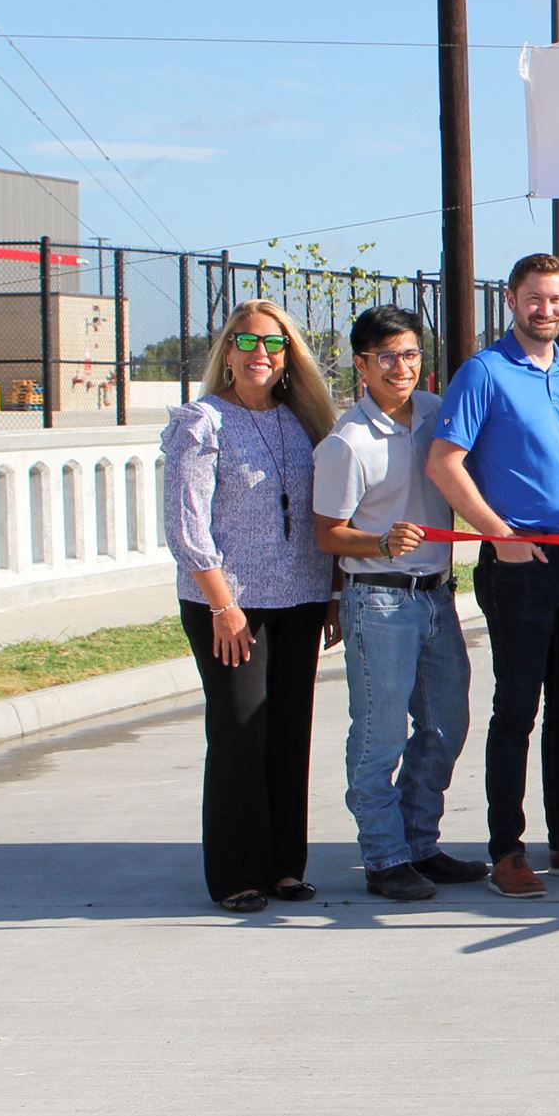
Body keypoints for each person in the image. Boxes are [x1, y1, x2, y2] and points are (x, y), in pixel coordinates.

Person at [428, 252, 559, 900]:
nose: (547, 310)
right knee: (517, 708)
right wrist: (497, 534)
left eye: (557, 299)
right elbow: (445, 463)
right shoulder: (484, 372)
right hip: (519, 561)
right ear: (512, 300)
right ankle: (507, 850)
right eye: (535, 298)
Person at [159, 299, 339, 912]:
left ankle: (284, 865)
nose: (260, 354)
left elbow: (327, 515)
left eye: (274, 344)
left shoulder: (304, 422)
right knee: (240, 731)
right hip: (231, 606)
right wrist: (222, 605)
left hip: (302, 599)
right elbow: (187, 525)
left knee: (290, 732)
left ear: (289, 356)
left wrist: (334, 591)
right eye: (246, 342)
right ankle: (236, 872)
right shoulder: (201, 422)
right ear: (227, 352)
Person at [314, 305, 485, 903]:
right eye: (386, 356)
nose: (401, 367)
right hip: (380, 602)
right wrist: (380, 543)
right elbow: (327, 533)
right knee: (378, 735)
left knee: (446, 724)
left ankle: (420, 842)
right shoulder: (347, 442)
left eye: (411, 354)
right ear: (361, 365)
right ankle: (383, 856)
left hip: (437, 597)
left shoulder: (438, 415)